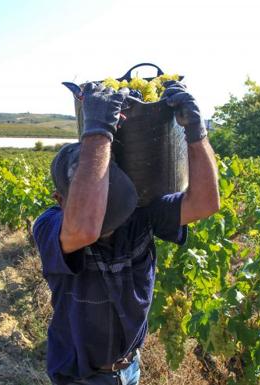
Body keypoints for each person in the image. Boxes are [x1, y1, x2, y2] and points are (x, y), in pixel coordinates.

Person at [33, 81, 220, 385]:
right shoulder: (50, 225)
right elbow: (84, 228)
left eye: (109, 193)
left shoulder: (139, 212)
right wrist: (97, 128)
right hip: (81, 377)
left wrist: (196, 134)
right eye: (93, 197)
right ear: (60, 200)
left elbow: (205, 203)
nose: (105, 207)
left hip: (129, 370)